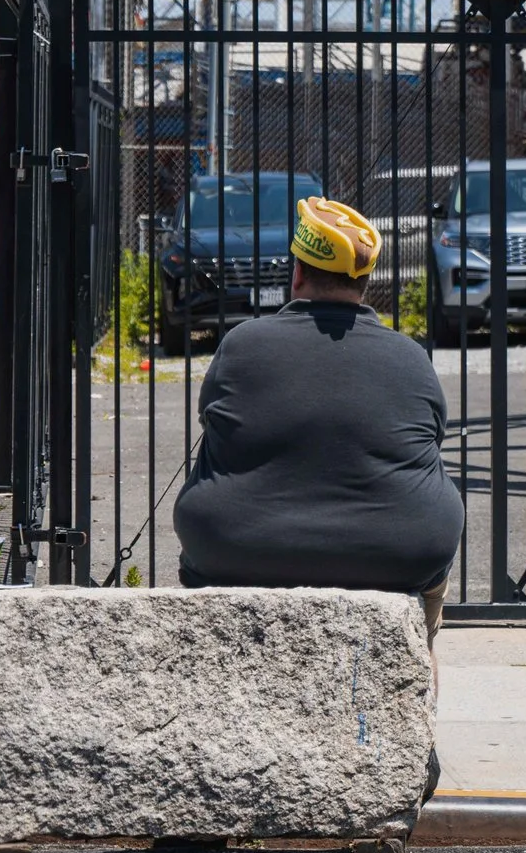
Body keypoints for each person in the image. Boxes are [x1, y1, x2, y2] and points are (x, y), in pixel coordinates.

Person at [173, 197, 464, 634]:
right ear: (365, 283)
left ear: (298, 273)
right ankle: (418, 675)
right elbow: (430, 437)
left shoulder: (242, 344)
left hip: (236, 548)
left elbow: (213, 424)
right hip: (400, 551)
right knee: (426, 631)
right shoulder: (410, 356)